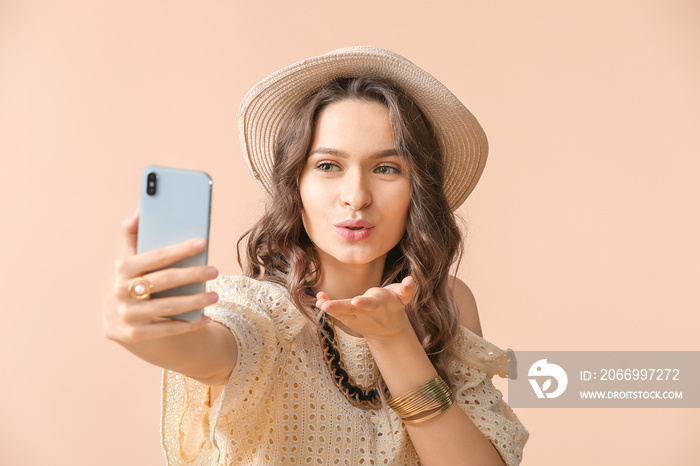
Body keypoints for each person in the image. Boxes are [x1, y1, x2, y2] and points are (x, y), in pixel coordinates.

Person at [104, 46, 529, 465]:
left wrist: (394, 340)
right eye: (328, 166)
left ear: (417, 190)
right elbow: (203, 346)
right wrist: (143, 323)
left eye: (386, 168)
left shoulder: (445, 303)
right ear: (296, 186)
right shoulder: (262, 314)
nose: (356, 198)